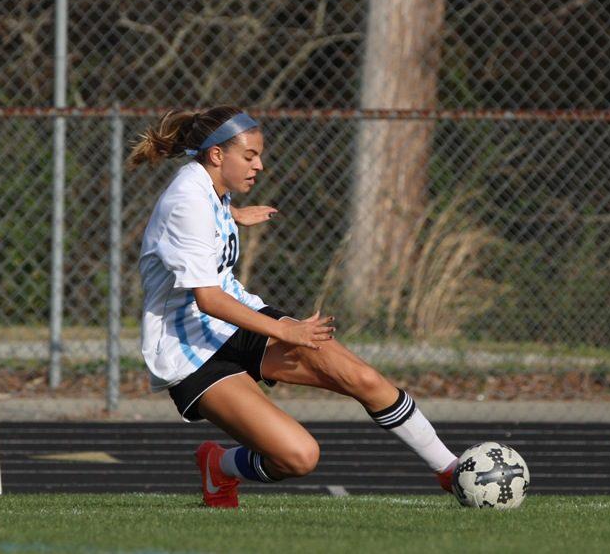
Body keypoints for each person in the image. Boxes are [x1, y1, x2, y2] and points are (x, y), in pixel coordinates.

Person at [131, 106, 458, 507]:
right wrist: (285, 331)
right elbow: (209, 298)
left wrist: (234, 215)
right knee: (298, 457)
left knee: (363, 379)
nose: (260, 165)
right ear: (217, 155)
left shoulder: (212, 187)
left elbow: (209, 216)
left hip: (235, 321)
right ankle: (220, 465)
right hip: (190, 353)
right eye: (249, 156)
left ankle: (450, 470)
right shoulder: (187, 201)